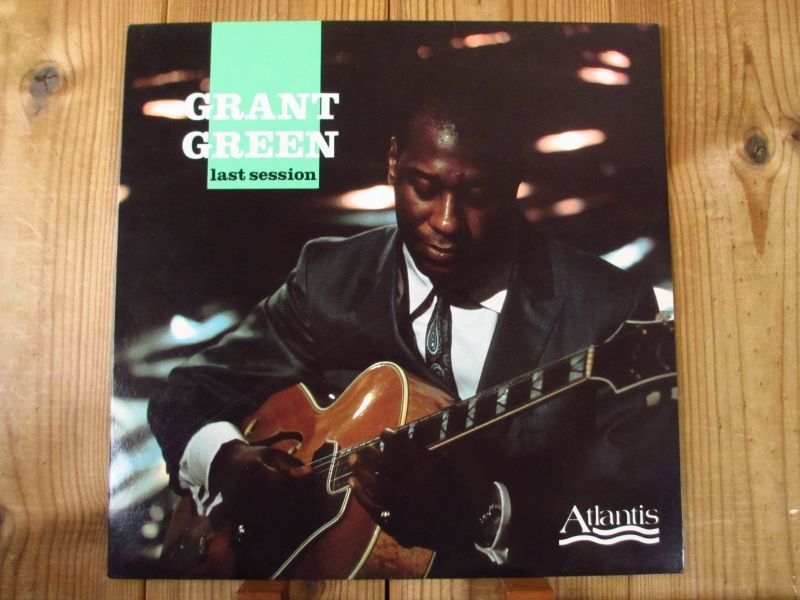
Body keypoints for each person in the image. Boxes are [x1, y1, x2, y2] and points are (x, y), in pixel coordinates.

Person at [148, 65, 678, 578]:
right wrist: (226, 461)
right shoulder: (329, 278)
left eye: (475, 194)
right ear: (392, 164)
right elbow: (187, 393)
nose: (446, 222)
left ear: (514, 180)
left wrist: (484, 514)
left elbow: (637, 527)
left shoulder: (608, 311)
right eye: (424, 187)